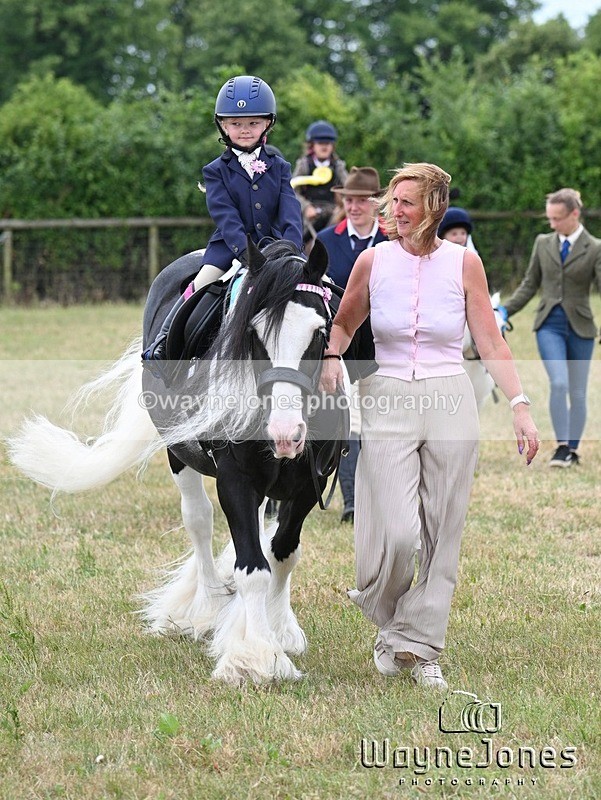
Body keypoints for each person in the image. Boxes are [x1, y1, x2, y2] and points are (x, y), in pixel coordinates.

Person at [319, 163, 539, 689]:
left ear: (433, 210)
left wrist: (520, 403)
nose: (392, 211)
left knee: (443, 532)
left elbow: (489, 340)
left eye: (405, 203)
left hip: (450, 398)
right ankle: (385, 612)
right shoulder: (372, 261)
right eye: (391, 201)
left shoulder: (466, 263)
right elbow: (346, 321)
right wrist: (330, 355)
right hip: (387, 395)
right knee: (397, 532)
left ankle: (420, 646)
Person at [143, 75, 303, 362]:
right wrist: (246, 254)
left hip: (278, 252)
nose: (244, 130)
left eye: (252, 123)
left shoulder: (280, 167)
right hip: (230, 251)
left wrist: (292, 251)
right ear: (223, 125)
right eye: (236, 124)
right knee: (198, 288)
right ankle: (164, 341)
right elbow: (225, 217)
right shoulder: (215, 171)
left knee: (319, 289)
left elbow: (290, 212)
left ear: (267, 123)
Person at [497, 188, 601, 467]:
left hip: (581, 326)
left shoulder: (595, 248)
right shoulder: (543, 243)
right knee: (558, 382)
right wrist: (504, 310)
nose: (552, 224)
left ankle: (572, 450)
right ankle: (562, 446)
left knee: (578, 391)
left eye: (557, 218)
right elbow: (530, 284)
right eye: (549, 219)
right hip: (549, 324)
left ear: (575, 214)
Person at [316, 167, 388, 523]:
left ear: (377, 203)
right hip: (344, 341)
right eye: (349, 200)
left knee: (381, 421)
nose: (354, 206)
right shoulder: (328, 239)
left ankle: (381, 494)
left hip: (386, 343)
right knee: (350, 421)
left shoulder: (394, 238)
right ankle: (352, 502)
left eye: (361, 200)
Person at [292, 121, 348, 244]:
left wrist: (341, 208)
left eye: (328, 143)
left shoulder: (338, 166)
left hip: (333, 213)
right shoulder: (304, 165)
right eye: (320, 143)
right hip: (310, 214)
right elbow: (292, 190)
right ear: (312, 145)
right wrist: (306, 207)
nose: (324, 146)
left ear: (333, 146)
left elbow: (349, 189)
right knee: (298, 239)